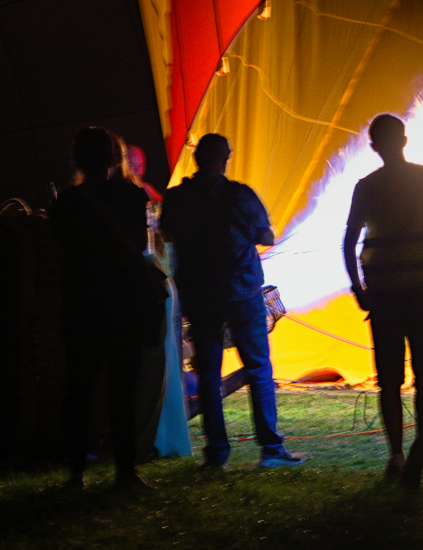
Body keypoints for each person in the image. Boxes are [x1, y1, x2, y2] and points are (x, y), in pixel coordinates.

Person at [158, 133, 304, 471]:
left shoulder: (177, 197)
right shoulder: (241, 195)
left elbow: (167, 234)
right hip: (242, 292)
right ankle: (270, 450)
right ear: (225, 158)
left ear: (197, 159)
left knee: (209, 373)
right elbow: (266, 237)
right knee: (259, 369)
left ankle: (216, 454)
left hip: (200, 295)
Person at [342, 113, 423, 487]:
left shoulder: (366, 187)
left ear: (374, 146)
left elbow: (348, 243)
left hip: (383, 294)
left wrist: (359, 289)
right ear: (405, 140)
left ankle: (395, 454)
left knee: (389, 379)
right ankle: (421, 442)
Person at [52, 127, 165, 492]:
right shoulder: (132, 197)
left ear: (77, 160)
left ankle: (74, 474)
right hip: (124, 304)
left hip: (83, 304)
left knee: (79, 390)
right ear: (115, 159)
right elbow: (140, 247)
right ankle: (126, 472)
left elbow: (59, 248)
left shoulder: (67, 203)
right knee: (123, 390)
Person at [125, 143, 192, 461]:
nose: (136, 172)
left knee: (159, 362)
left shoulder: (147, 197)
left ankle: (153, 436)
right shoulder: (132, 199)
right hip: (147, 286)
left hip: (155, 284)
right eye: (130, 165)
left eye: (139, 166)